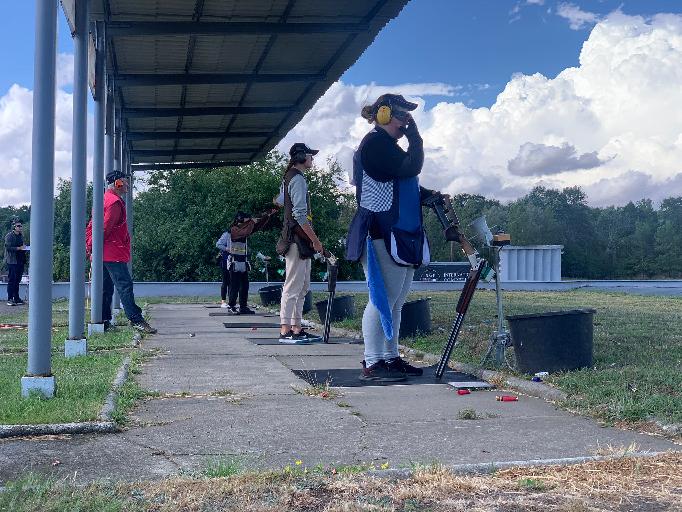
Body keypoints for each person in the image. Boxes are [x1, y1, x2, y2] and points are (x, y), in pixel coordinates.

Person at [346, 93, 446, 382]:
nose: (406, 122)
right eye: (402, 116)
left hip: (396, 232)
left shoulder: (387, 146)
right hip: (379, 231)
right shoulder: (375, 143)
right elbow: (411, 168)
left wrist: (429, 196)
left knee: (396, 300)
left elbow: (405, 182)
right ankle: (374, 360)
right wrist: (417, 140)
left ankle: (389, 356)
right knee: (382, 299)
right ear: (384, 114)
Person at [86, 170, 157, 334]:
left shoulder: (105, 199)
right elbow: (104, 228)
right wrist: (92, 246)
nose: (127, 185)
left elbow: (93, 226)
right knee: (124, 285)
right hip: (113, 252)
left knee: (106, 288)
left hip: (105, 252)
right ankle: (136, 319)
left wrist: (91, 247)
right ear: (117, 183)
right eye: (124, 182)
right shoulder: (114, 203)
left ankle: (104, 321)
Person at [275, 143, 324, 343]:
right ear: (303, 157)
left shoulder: (291, 178)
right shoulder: (297, 179)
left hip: (297, 239)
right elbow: (300, 216)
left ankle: (296, 327)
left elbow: (278, 201)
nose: (312, 159)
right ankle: (286, 329)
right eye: (311, 156)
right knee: (293, 286)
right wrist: (316, 240)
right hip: (297, 239)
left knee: (302, 286)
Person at [225, 208, 278, 314]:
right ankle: (231, 306)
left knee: (244, 286)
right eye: (246, 219)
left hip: (243, 262)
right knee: (234, 286)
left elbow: (257, 227)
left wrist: (267, 215)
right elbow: (247, 231)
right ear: (240, 220)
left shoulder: (243, 227)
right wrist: (252, 222)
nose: (248, 221)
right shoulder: (234, 229)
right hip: (234, 262)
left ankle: (243, 307)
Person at [4, 219, 27, 306]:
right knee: (12, 280)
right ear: (14, 227)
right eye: (18, 226)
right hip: (12, 261)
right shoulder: (9, 236)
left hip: (20, 261)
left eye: (21, 226)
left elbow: (22, 246)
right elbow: (8, 248)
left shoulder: (21, 236)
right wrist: (19, 248)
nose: (20, 227)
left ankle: (16, 298)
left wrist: (25, 248)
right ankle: (10, 299)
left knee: (17, 280)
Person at [215, 230, 231, 309]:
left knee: (232, 282)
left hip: (234, 260)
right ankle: (223, 301)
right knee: (225, 281)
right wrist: (227, 249)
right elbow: (218, 244)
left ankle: (231, 301)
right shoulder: (227, 234)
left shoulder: (239, 234)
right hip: (225, 260)